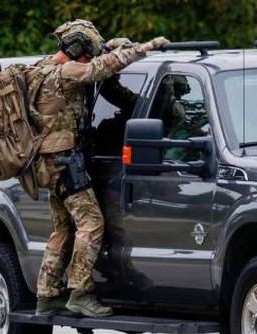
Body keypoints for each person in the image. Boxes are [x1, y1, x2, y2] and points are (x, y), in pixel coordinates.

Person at [32, 19, 169, 317]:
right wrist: (142, 48)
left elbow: (96, 64)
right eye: (88, 51)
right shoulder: (66, 72)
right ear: (77, 48)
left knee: (64, 228)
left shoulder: (42, 68)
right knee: (91, 223)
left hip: (52, 163)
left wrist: (107, 47)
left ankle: (46, 295)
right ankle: (80, 291)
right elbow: (98, 69)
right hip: (65, 163)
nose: (89, 57)